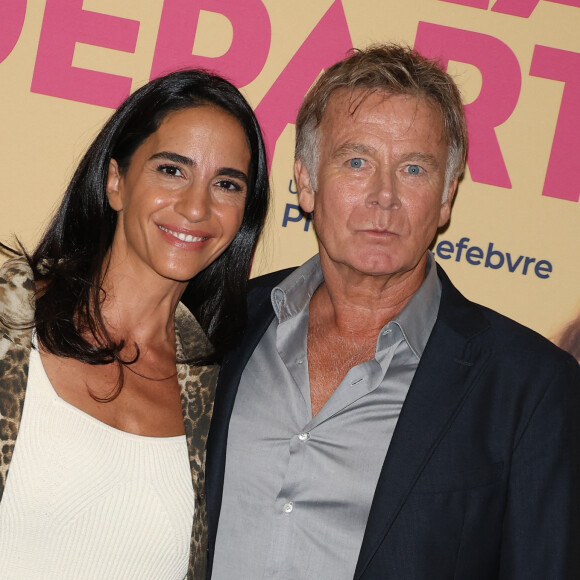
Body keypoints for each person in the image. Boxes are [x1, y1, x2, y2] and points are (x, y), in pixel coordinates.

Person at [205, 44, 580, 579]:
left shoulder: (531, 387)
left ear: (447, 196)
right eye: (356, 161)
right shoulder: (219, 324)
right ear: (306, 181)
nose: (384, 196)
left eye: (413, 169)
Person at [0, 69, 268, 579]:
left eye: (227, 184)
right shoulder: (8, 324)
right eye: (172, 170)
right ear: (116, 181)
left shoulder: (226, 394)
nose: (196, 206)